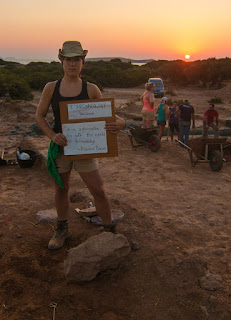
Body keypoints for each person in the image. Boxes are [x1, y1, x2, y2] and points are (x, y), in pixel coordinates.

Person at [35, 41, 125, 250]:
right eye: (68, 59)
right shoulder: (51, 88)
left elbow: (107, 113)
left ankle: (109, 229)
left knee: (98, 190)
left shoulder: (91, 89)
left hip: (85, 148)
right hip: (62, 148)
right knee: (61, 188)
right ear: (61, 61)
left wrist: (120, 121)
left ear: (82, 62)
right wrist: (52, 135)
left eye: (77, 59)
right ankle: (62, 228)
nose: (72, 64)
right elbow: (39, 116)